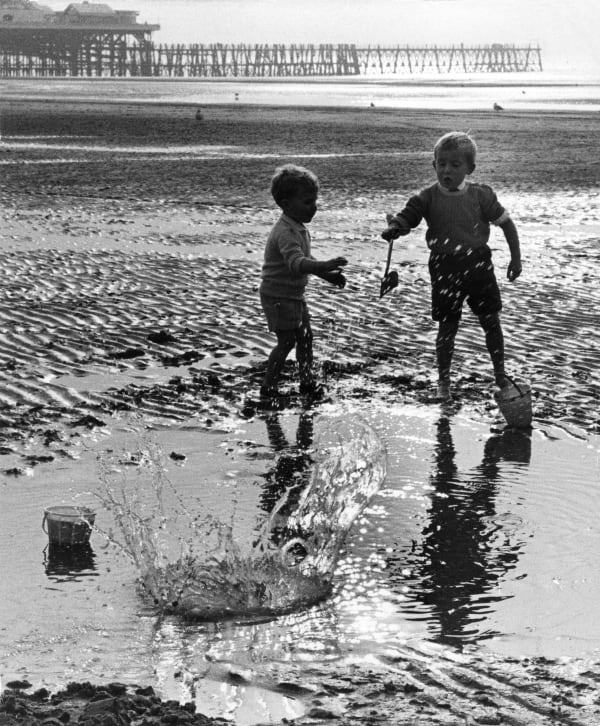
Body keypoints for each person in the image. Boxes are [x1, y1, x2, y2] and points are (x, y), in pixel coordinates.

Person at [382, 131, 522, 401]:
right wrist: (394, 228)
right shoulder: (426, 197)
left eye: (455, 165)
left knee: (491, 322)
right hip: (444, 266)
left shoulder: (481, 195)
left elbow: (506, 224)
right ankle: (443, 382)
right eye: (441, 163)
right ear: (434, 165)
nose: (447, 170)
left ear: (470, 168)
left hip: (478, 264)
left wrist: (516, 259)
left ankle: (500, 376)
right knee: (447, 327)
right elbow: (406, 219)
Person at [259, 164, 347, 399]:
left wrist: (327, 275)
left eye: (315, 201)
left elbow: (305, 260)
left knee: (306, 337)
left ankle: (307, 381)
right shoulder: (285, 232)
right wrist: (325, 265)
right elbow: (297, 264)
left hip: (294, 295)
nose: (314, 208)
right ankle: (269, 386)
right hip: (277, 296)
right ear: (286, 204)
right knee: (287, 341)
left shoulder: (297, 228)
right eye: (307, 202)